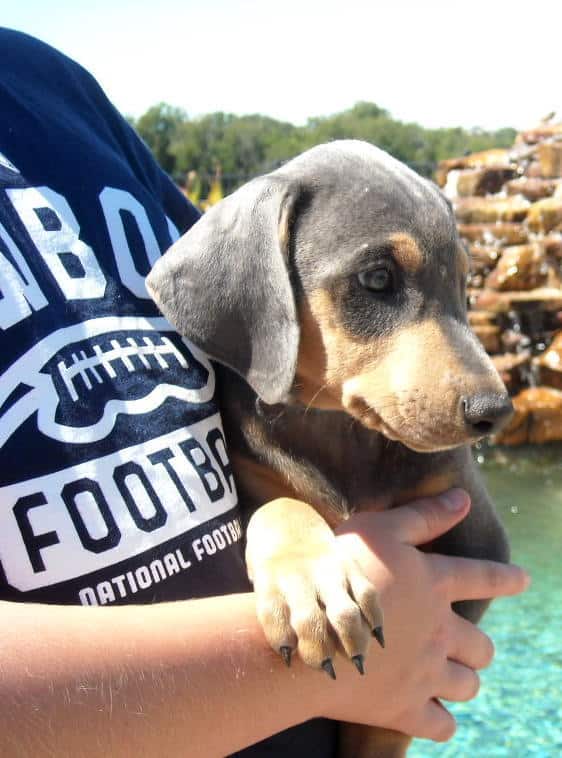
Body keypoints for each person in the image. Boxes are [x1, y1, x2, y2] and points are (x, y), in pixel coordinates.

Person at [0, 28, 529, 757]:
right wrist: (285, 542)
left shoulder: (48, 86)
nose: (481, 389)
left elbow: (476, 563)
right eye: (376, 283)